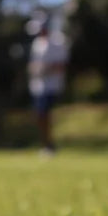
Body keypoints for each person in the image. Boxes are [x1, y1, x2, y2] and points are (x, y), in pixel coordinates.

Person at [28, 18, 69, 155]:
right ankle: (46, 144)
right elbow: (33, 63)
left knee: (45, 114)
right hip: (38, 86)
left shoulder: (57, 41)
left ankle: (50, 144)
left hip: (52, 85)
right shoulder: (37, 43)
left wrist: (45, 70)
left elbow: (61, 65)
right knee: (40, 115)